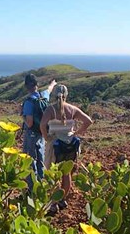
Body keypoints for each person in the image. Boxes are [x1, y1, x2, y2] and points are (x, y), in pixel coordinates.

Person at [40, 84, 93, 213]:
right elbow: (88, 121)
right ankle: (62, 199)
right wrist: (77, 132)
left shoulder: (50, 110)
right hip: (70, 144)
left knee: (52, 174)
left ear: (54, 95)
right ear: (66, 95)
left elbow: (42, 125)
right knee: (67, 173)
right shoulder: (73, 109)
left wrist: (46, 137)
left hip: (56, 145)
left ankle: (53, 203)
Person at [21, 74, 47, 189]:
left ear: (26, 86)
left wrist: (22, 115)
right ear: (37, 85)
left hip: (31, 134)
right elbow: (49, 90)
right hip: (41, 132)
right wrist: (53, 84)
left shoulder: (28, 102)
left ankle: (32, 189)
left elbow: (29, 123)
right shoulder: (43, 97)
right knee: (41, 159)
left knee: (30, 161)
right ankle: (42, 185)